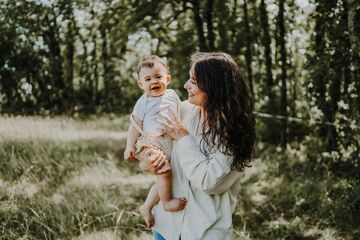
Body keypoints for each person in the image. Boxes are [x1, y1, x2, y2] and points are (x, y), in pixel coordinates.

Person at [139, 52, 256, 240]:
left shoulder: (234, 132)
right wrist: (147, 162)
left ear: (214, 87)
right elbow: (157, 148)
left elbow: (210, 183)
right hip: (166, 227)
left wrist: (183, 137)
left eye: (193, 81)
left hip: (203, 232)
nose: (186, 85)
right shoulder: (181, 110)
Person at [123, 55, 187, 228]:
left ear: (167, 79)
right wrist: (129, 146)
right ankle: (166, 203)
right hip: (150, 142)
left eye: (158, 77)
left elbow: (181, 114)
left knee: (165, 177)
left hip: (169, 142)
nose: (154, 82)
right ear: (140, 84)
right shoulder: (143, 102)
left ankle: (147, 206)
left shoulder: (173, 95)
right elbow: (134, 126)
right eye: (148, 79)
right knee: (163, 170)